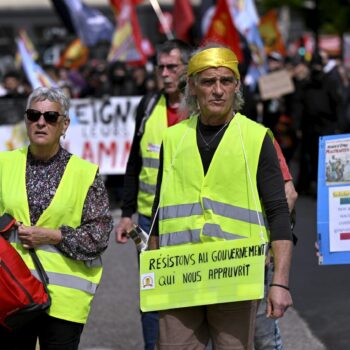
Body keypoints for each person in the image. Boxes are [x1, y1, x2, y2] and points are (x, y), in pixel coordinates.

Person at [148, 44, 294, 350]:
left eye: (226, 81)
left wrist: (279, 283)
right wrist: (151, 278)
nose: (218, 90)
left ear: (237, 86)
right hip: (180, 276)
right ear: (192, 87)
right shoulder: (173, 138)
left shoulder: (255, 138)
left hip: (235, 277)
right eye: (208, 81)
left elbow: (280, 213)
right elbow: (159, 215)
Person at [0, 87, 113, 350]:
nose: (41, 122)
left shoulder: (85, 174)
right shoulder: (4, 164)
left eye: (50, 117)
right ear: (26, 121)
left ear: (65, 125)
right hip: (11, 294)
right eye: (33, 115)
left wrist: (53, 235)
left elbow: (98, 237)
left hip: (64, 301)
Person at [115, 39, 193, 350]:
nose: (164, 72)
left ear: (187, 69)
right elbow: (134, 162)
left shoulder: (200, 107)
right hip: (147, 222)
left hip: (188, 221)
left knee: (190, 295)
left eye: (172, 66)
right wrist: (126, 214)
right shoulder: (148, 105)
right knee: (152, 295)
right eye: (160, 66)